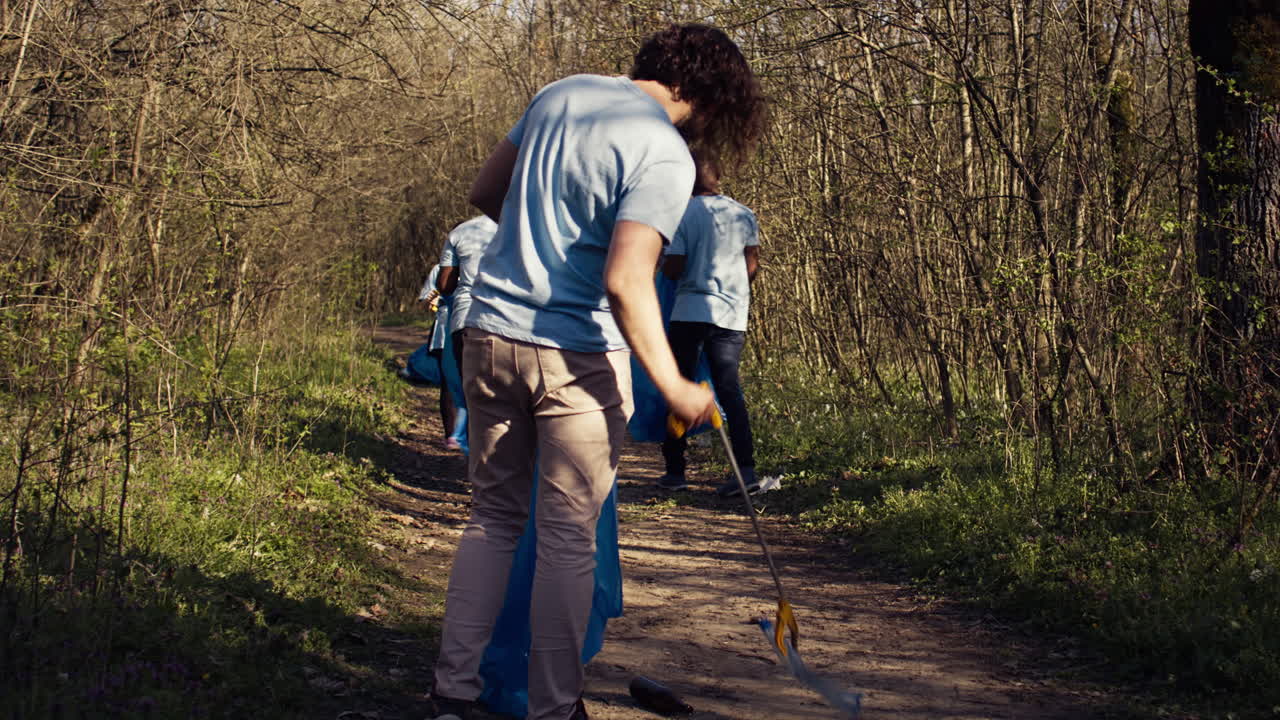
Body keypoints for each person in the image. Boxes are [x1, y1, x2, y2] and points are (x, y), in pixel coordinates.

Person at [428, 23, 765, 720]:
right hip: (575, 352)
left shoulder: (561, 94)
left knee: (491, 520)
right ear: (707, 94)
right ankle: (554, 708)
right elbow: (625, 279)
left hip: (489, 333)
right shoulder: (665, 154)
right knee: (566, 536)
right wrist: (674, 385)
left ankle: (452, 694)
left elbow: (487, 190)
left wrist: (538, 240)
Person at [657, 155, 761, 497]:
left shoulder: (682, 215)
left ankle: (676, 470)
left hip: (689, 312)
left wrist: (665, 265)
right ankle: (745, 469)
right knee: (730, 389)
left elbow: (674, 267)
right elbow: (751, 266)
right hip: (731, 315)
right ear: (718, 178)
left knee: (680, 386)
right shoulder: (744, 214)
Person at [436, 215, 499, 451]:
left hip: (466, 319)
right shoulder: (523, 222)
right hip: (509, 320)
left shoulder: (461, 231)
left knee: (472, 395)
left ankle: (478, 463)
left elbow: (444, 285)